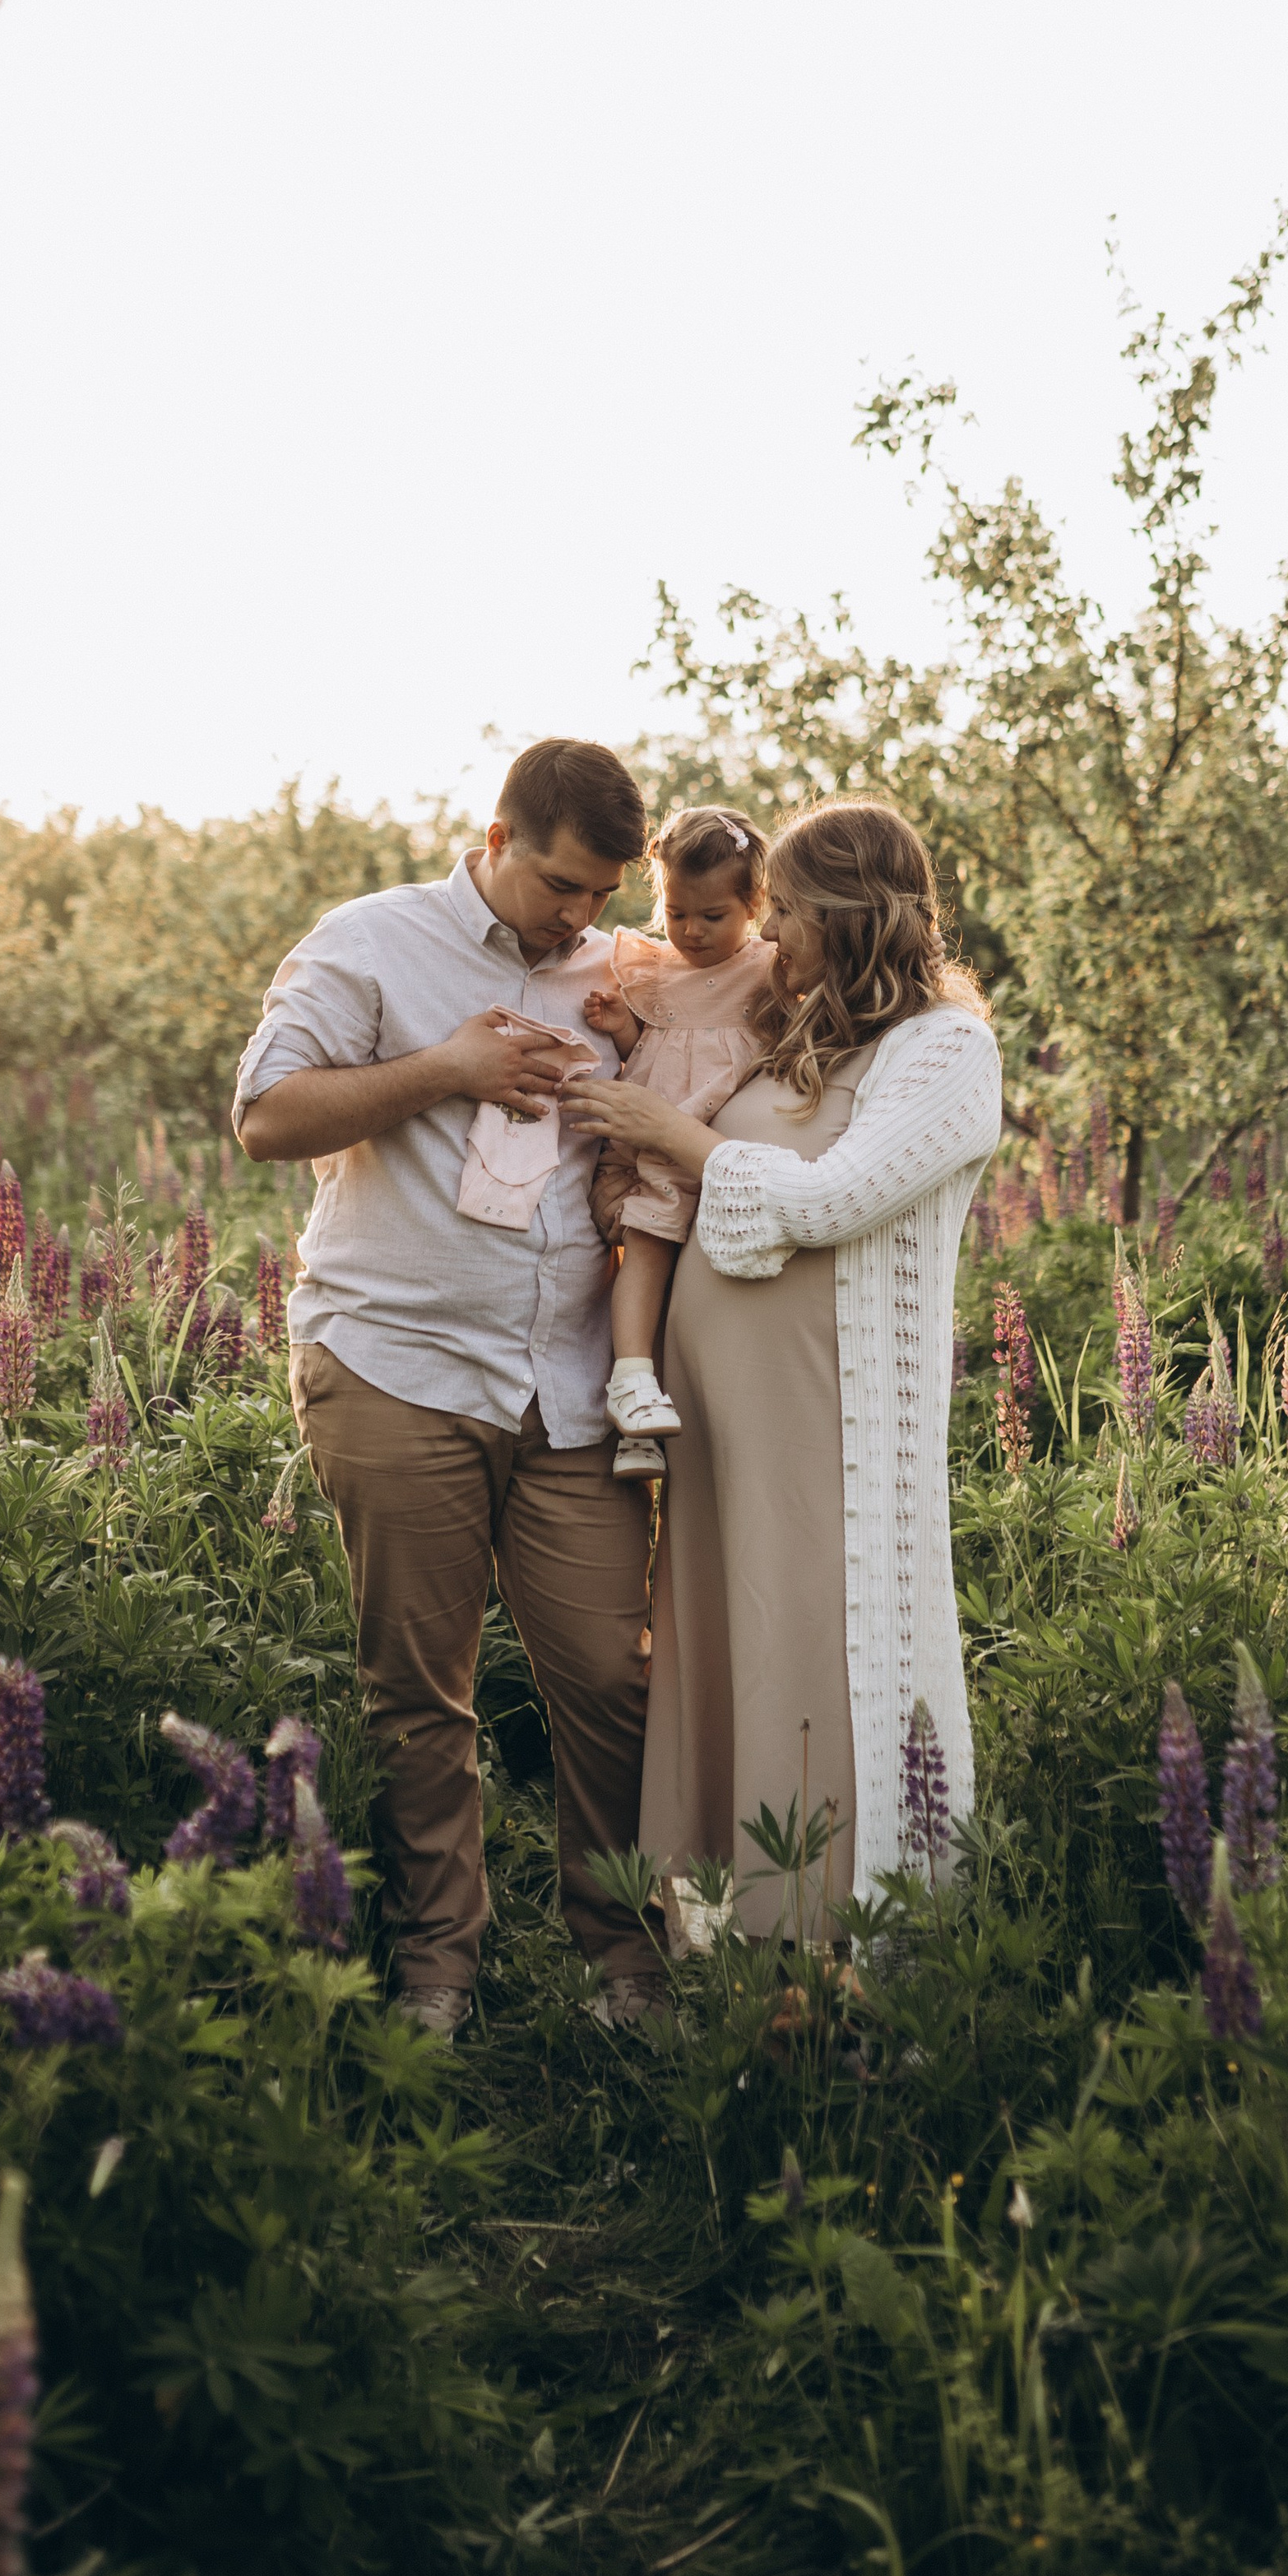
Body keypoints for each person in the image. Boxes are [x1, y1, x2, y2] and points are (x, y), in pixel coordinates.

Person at [232, 737, 663, 2040]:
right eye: (559, 886)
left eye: (602, 893)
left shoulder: (625, 972)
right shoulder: (370, 942)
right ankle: (440, 1974)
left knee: (609, 1675)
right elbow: (264, 1116)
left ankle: (632, 1962)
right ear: (494, 838)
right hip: (397, 1365)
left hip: (574, 1387)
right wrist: (446, 1071)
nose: (581, 916)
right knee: (421, 1690)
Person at [562, 800, 1001, 1942]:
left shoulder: (946, 1050)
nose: (777, 936)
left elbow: (826, 1201)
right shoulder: (804, 1029)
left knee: (813, 1663)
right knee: (725, 1666)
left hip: (832, 1433)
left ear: (852, 917)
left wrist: (665, 1133)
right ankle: (721, 1951)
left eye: (794, 914)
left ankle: (833, 1952)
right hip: (721, 1440)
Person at [580, 804, 778, 1478]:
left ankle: (650, 1421)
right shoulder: (654, 969)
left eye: (711, 916)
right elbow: (657, 1057)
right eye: (676, 913)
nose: (689, 931)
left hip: (725, 1150)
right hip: (664, 1148)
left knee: (702, 1297)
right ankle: (631, 1380)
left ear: (754, 902)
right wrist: (619, 1028)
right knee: (647, 1256)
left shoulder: (770, 969)